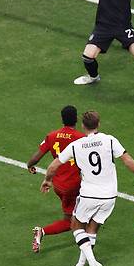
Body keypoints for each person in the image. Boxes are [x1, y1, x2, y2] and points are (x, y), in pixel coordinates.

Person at [40, 111, 134, 266]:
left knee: (75, 226)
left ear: (83, 126)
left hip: (89, 194)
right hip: (110, 196)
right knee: (92, 229)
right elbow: (127, 159)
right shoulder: (110, 140)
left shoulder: (77, 145)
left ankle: (93, 262)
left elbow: (54, 165)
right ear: (98, 124)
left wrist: (47, 180)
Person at [26, 105, 85, 253]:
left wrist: (30, 165)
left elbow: (36, 156)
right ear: (76, 119)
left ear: (62, 119)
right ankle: (42, 231)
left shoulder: (52, 136)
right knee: (70, 222)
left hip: (58, 185)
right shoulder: (81, 138)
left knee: (76, 212)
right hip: (75, 185)